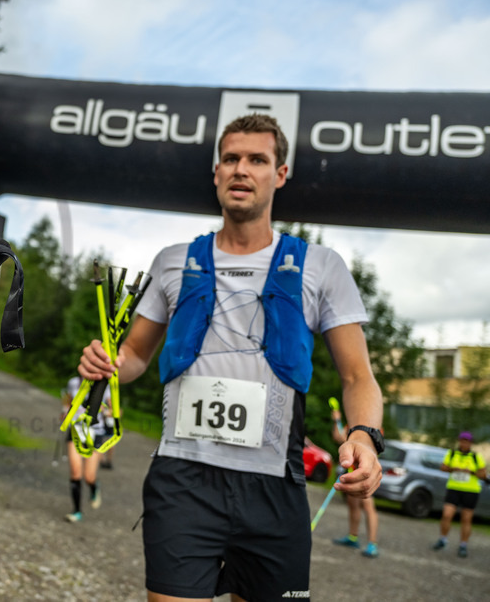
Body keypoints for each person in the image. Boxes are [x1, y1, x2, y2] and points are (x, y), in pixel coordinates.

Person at [78, 113, 384, 602]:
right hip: (183, 480)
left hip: (274, 487)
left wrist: (365, 436)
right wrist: (107, 363)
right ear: (216, 171)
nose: (242, 169)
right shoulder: (173, 260)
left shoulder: (321, 266)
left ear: (280, 174)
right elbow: (134, 355)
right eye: (231, 158)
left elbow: (357, 376)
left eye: (257, 160)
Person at [330, 406, 380, 557]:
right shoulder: (349, 426)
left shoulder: (370, 425)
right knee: (352, 504)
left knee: (367, 505)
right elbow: (338, 438)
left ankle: (372, 544)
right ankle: (353, 536)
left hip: (364, 470)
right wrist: (336, 420)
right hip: (350, 469)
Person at [61, 375, 112, 522]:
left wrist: (107, 412)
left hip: (95, 432)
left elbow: (112, 408)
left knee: (89, 476)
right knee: (75, 472)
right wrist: (65, 411)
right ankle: (76, 511)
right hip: (76, 429)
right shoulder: (74, 382)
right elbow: (68, 400)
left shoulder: (105, 385)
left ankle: (94, 487)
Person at [431, 431, 487, 558]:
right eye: (462, 440)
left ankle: (463, 545)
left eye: (466, 441)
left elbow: (483, 475)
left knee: (466, 519)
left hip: (470, 490)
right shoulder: (452, 454)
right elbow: (443, 467)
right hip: (454, 488)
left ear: (470, 443)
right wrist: (454, 469)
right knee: (446, 515)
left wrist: (471, 472)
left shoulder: (475, 457)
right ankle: (443, 539)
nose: (464, 443)